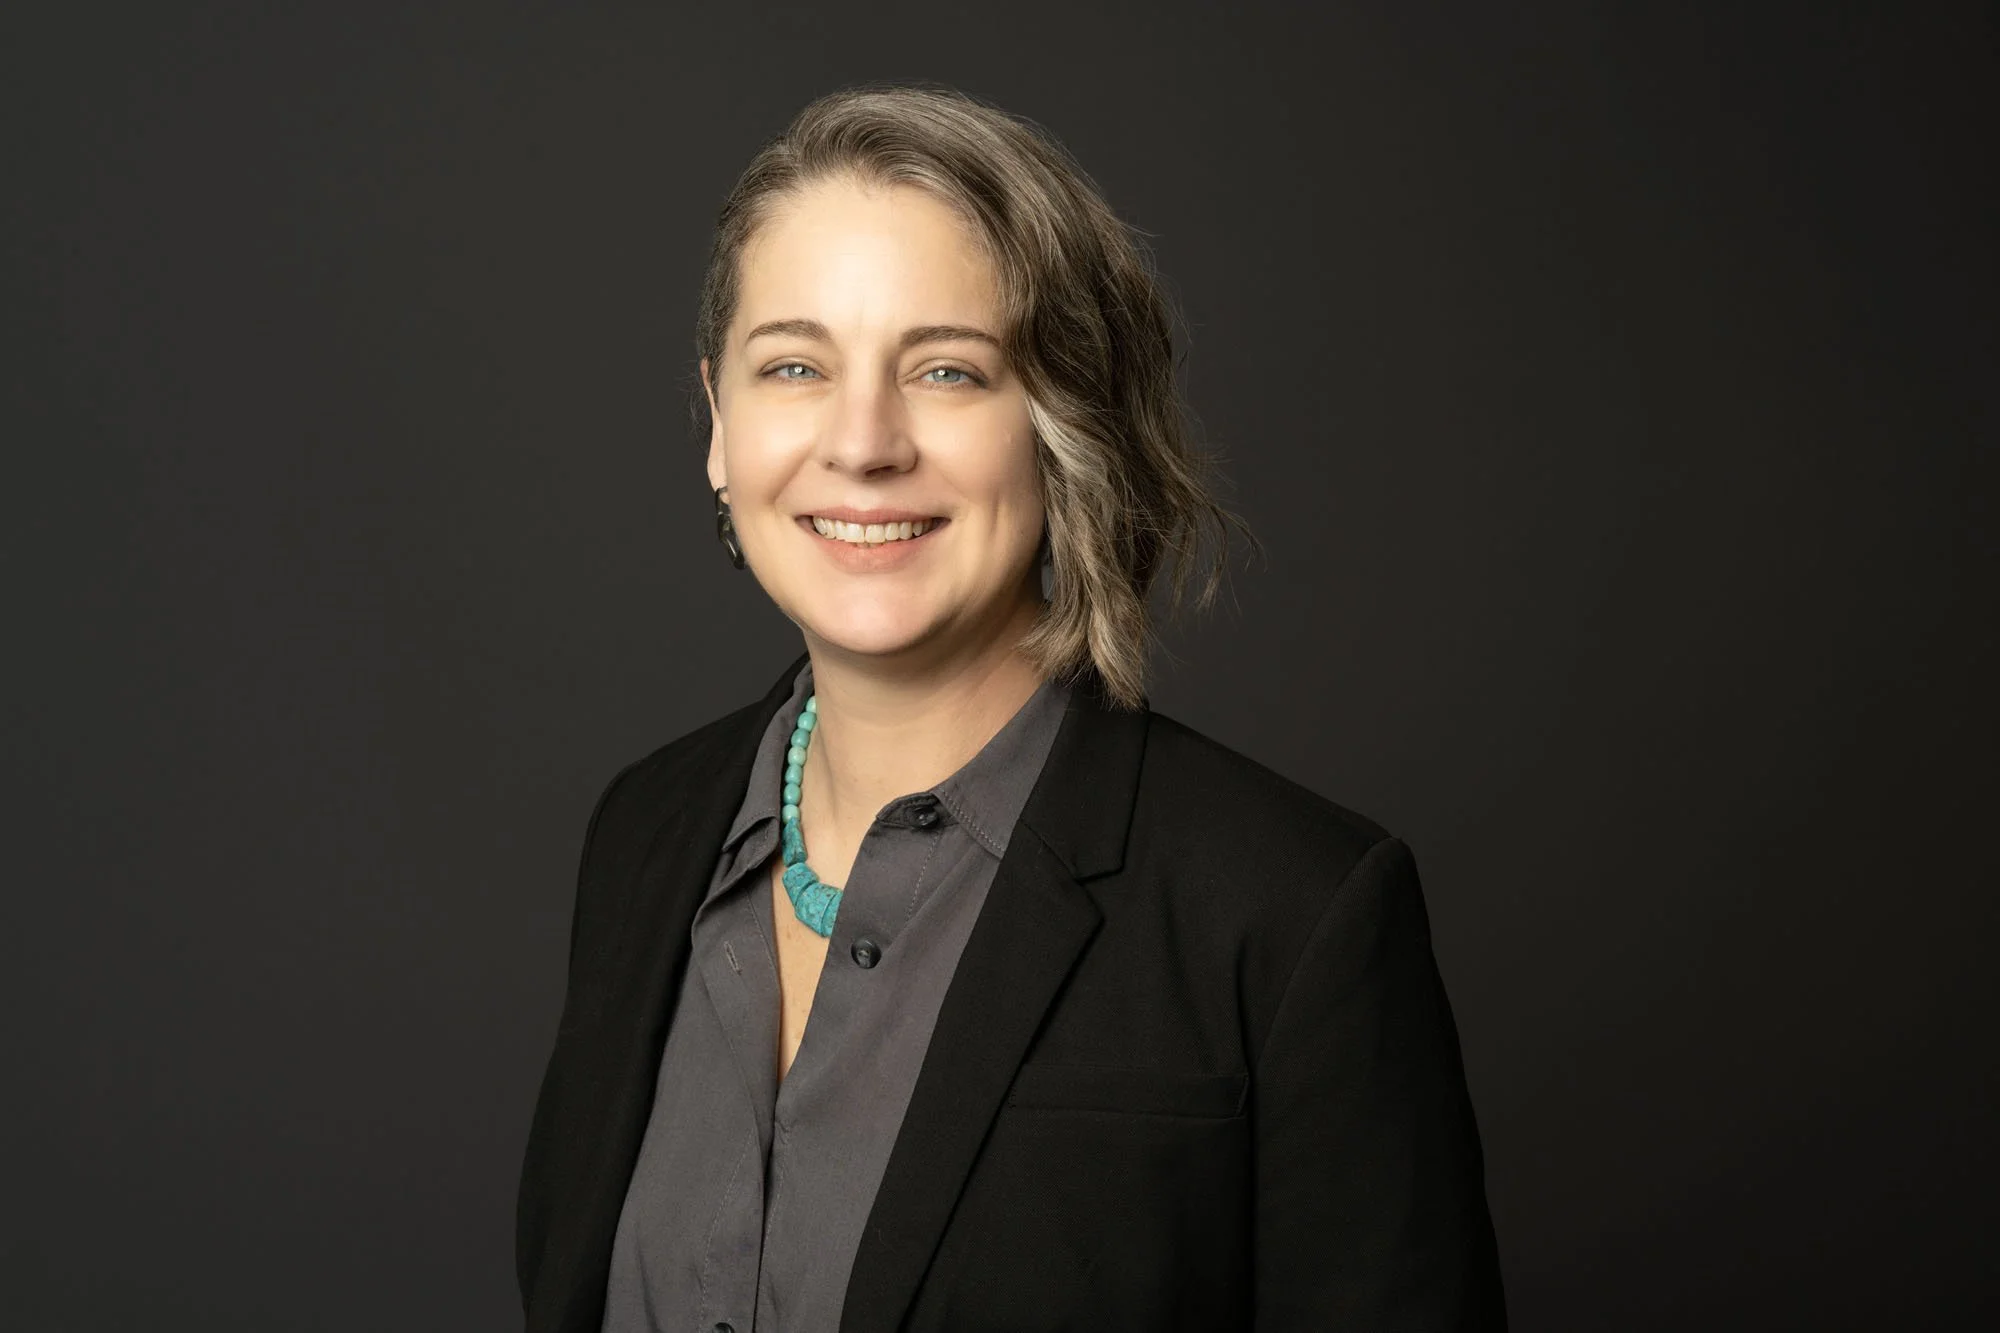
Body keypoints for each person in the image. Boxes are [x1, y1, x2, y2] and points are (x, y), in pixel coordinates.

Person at [516, 82, 1505, 1333]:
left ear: (1064, 422)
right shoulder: (643, 833)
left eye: (946, 369)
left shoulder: (1289, 913)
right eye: (794, 365)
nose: (862, 442)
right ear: (719, 421)